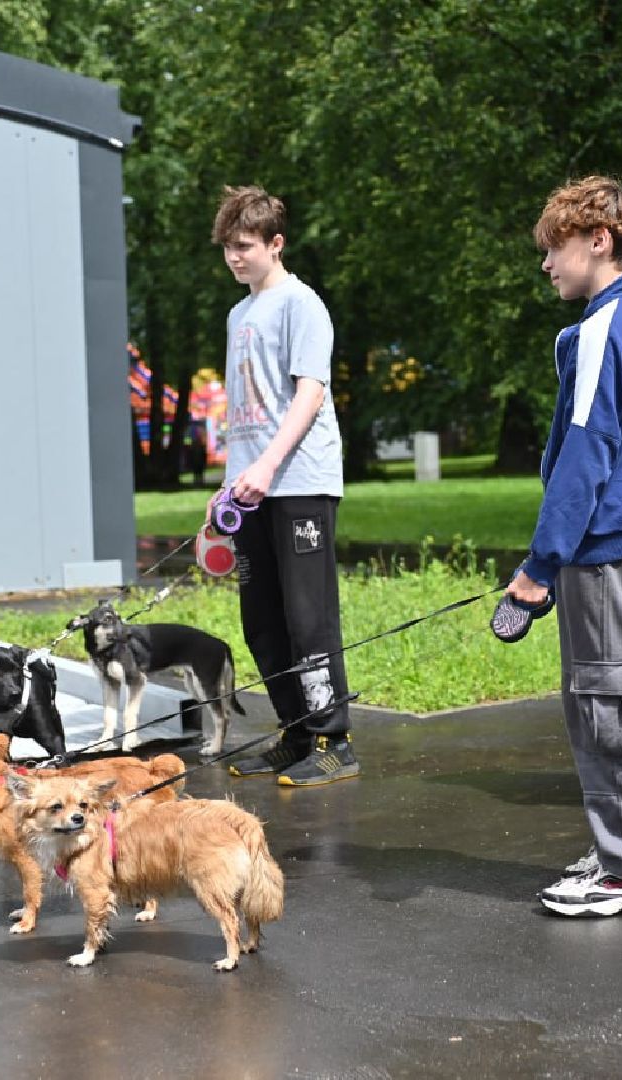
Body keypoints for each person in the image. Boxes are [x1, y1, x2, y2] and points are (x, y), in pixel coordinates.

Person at [507, 176, 622, 917]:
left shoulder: (609, 330)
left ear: (598, 242)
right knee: (603, 701)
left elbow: (586, 455)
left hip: (607, 552)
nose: (547, 264)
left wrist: (537, 568)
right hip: (616, 546)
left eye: (555, 248)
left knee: (612, 704)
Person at [208, 185, 359, 787]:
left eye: (244, 246)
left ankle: (334, 739)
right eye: (226, 248)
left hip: (298, 482)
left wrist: (268, 467)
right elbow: (241, 409)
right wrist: (227, 490)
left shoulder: (302, 304)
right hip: (250, 489)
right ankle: (296, 733)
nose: (233, 258)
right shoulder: (238, 314)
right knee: (262, 619)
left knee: (308, 616)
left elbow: (310, 393)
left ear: (276, 243)